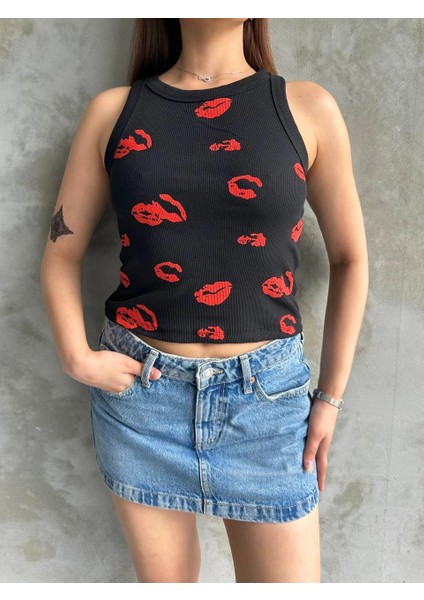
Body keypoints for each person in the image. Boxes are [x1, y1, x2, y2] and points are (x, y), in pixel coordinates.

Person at [40, 18, 368, 583]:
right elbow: (60, 252)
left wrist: (330, 400)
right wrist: (76, 357)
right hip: (142, 401)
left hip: (267, 406)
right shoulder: (114, 113)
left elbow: (351, 258)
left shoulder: (306, 107)